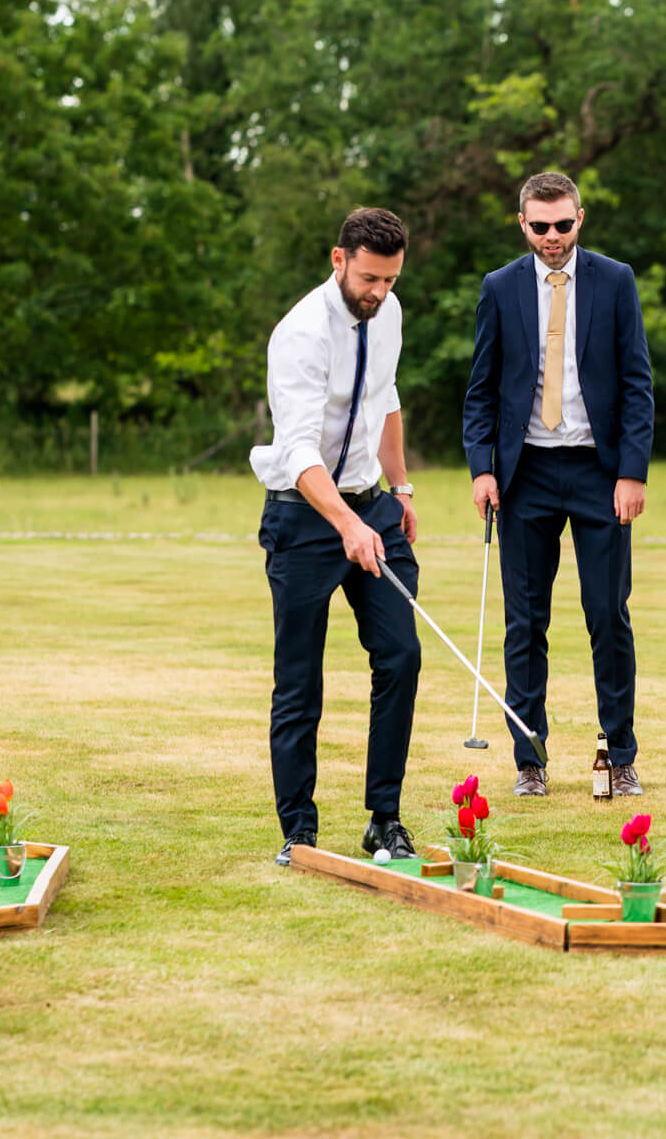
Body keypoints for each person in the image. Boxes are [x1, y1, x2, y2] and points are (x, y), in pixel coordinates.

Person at [463, 172, 654, 797]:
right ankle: (530, 760)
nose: (552, 236)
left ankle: (618, 755)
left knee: (608, 615)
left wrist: (631, 471)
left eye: (563, 225)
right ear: (523, 223)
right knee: (525, 623)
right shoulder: (499, 287)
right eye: (540, 226)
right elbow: (481, 390)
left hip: (600, 471)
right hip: (526, 474)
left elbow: (635, 383)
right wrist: (483, 466)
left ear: (580, 218)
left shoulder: (616, 279)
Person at [251, 207, 422, 865]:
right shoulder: (299, 334)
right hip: (303, 515)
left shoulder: (390, 314)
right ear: (338, 259)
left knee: (400, 657)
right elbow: (296, 449)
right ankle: (299, 832)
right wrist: (344, 522)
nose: (379, 291)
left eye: (391, 279)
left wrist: (398, 489)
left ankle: (385, 819)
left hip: (371, 506)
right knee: (300, 679)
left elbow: (387, 397)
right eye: (370, 278)